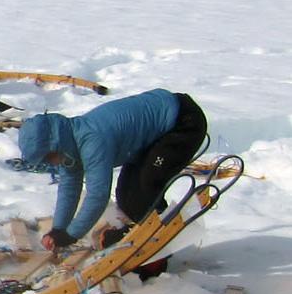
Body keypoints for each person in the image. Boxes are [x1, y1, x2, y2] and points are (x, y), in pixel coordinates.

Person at [16, 88, 208, 259]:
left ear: (54, 144)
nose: (51, 163)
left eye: (49, 157)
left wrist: (71, 235)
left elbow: (98, 195)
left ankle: (157, 249)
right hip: (154, 135)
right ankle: (144, 237)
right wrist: (58, 229)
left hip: (182, 122)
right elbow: (69, 187)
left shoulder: (92, 141)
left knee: (147, 188)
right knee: (126, 197)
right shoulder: (70, 144)